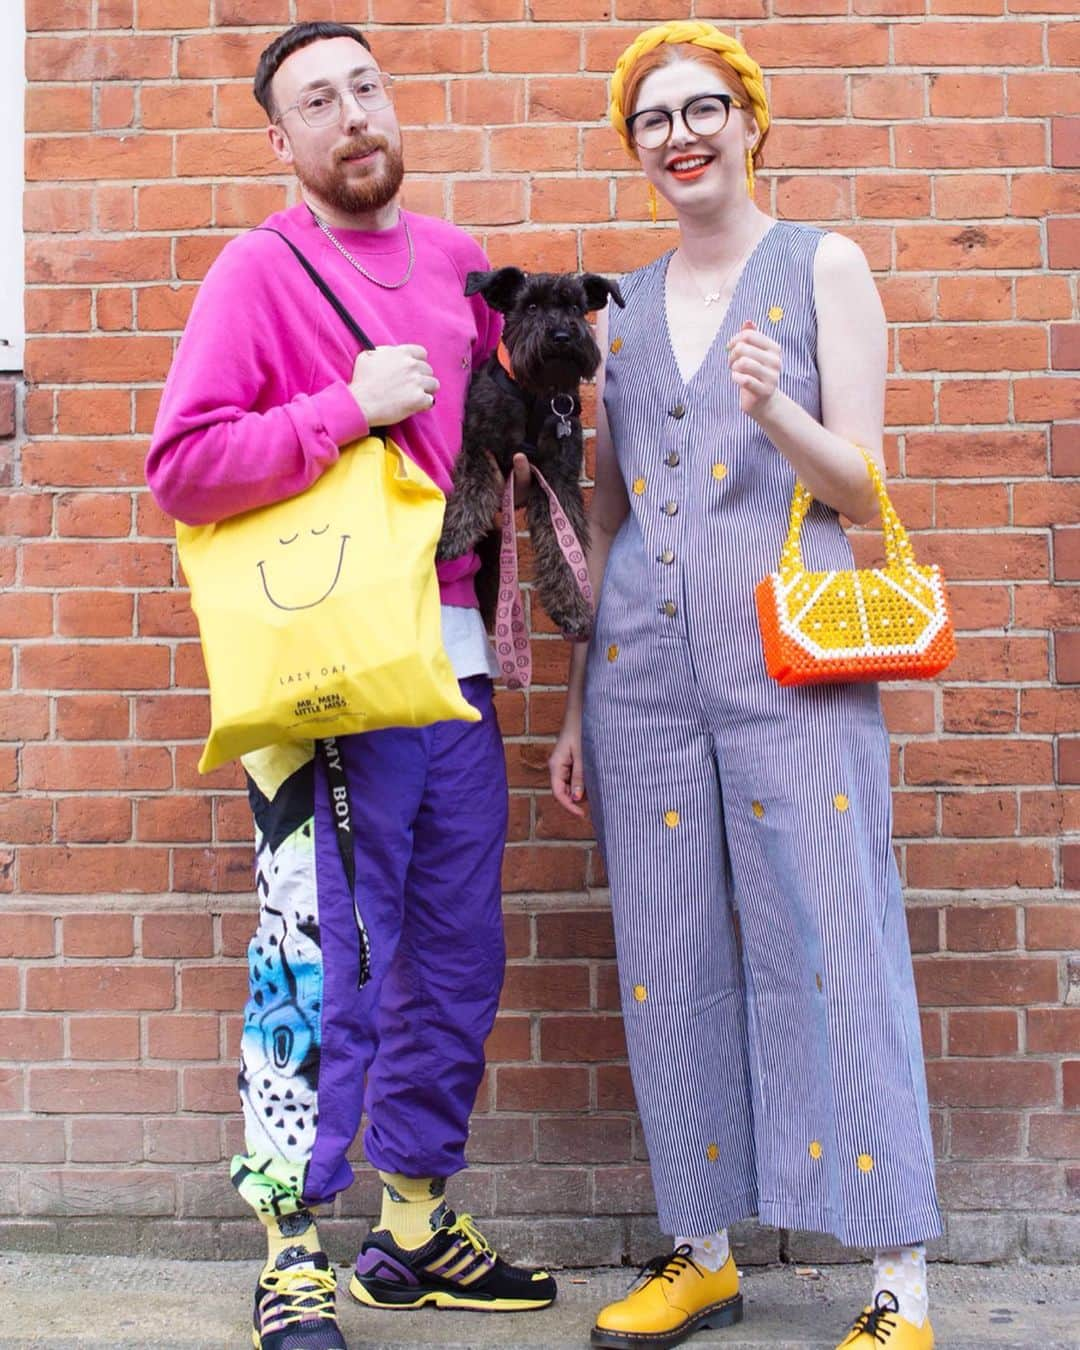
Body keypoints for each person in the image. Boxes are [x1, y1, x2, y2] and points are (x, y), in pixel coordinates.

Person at [146, 21, 554, 1350]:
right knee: (316, 959)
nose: (352, 116)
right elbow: (185, 466)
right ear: (282, 141)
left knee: (454, 955)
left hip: (454, 669)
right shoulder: (257, 271)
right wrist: (347, 407)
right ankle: (290, 1245)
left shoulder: (452, 261)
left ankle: (418, 1225)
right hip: (324, 679)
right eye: (317, 101)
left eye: (366, 88)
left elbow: (511, 442)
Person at [549, 21, 941, 1350]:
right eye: (653, 119)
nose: (681, 135)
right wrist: (572, 702)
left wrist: (776, 410)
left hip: (793, 655)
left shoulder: (823, 264)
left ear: (751, 118)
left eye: (703, 107)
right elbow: (604, 515)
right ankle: (702, 1251)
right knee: (667, 958)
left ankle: (900, 1285)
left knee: (839, 940)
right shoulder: (629, 312)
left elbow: (862, 490)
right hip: (643, 672)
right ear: (636, 146)